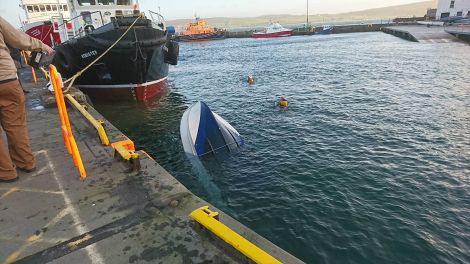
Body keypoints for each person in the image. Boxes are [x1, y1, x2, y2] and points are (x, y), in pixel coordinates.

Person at [0, 16, 54, 183]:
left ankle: (6, 172)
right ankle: (26, 162)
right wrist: (42, 45)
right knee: (15, 125)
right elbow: (18, 38)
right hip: (7, 79)